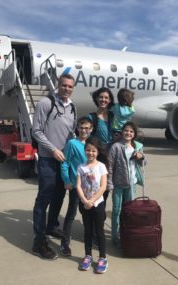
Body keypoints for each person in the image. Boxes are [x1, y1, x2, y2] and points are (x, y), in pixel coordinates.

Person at [31, 73, 77, 260]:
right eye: (64, 85)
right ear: (58, 85)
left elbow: (71, 133)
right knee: (44, 198)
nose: (67, 88)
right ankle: (38, 241)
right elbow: (36, 131)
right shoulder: (46, 103)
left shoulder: (72, 107)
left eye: (70, 86)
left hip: (64, 161)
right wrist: (53, 150)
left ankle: (51, 226)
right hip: (48, 160)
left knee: (59, 195)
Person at [107, 121, 146, 246]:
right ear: (122, 132)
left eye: (131, 131)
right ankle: (115, 236)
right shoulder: (116, 147)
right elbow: (110, 167)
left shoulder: (137, 147)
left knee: (129, 211)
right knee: (117, 210)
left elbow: (143, 164)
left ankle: (126, 233)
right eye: (126, 130)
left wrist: (141, 157)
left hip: (131, 184)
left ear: (134, 134)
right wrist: (110, 184)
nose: (128, 133)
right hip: (118, 184)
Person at [59, 116, 93, 256]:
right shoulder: (72, 143)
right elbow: (65, 163)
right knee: (71, 214)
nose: (84, 130)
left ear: (91, 130)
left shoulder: (92, 144)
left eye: (87, 128)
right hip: (75, 186)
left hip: (90, 188)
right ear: (77, 128)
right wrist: (67, 180)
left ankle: (90, 238)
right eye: (81, 127)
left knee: (88, 214)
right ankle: (65, 243)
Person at [76, 136, 108, 274]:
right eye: (88, 150)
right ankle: (88, 255)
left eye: (93, 151)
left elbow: (103, 187)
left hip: (98, 204)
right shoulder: (81, 167)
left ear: (98, 152)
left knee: (99, 231)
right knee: (87, 231)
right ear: (85, 151)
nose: (90, 153)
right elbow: (78, 185)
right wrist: (84, 200)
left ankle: (102, 258)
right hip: (85, 204)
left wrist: (92, 201)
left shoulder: (101, 166)